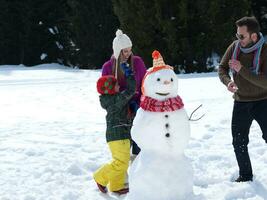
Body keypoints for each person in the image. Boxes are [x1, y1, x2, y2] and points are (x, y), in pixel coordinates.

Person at [218, 16, 267, 182]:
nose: (238, 39)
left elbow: (265, 82)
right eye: (237, 35)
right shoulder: (234, 47)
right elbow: (222, 68)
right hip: (240, 102)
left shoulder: (266, 50)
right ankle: (245, 177)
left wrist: (241, 69)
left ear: (254, 36)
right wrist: (228, 81)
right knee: (238, 142)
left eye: (242, 36)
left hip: (263, 101)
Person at [101, 29, 147, 155]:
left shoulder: (137, 62)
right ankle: (124, 164)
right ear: (118, 51)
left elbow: (145, 84)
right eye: (125, 51)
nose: (129, 53)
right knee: (123, 143)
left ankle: (138, 161)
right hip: (120, 110)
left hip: (137, 105)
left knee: (139, 139)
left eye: (130, 50)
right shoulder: (107, 68)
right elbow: (106, 94)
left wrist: (141, 104)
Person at [93, 72, 136, 194]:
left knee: (121, 161)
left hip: (121, 135)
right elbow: (131, 90)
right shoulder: (115, 100)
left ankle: (117, 186)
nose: (119, 86)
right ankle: (100, 177)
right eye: (116, 85)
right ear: (110, 88)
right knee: (120, 162)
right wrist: (130, 76)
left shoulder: (113, 100)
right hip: (118, 136)